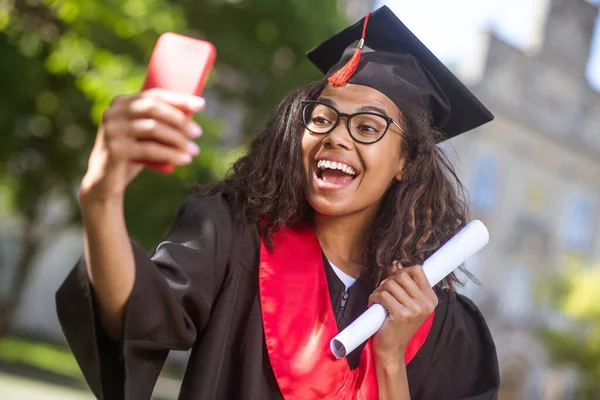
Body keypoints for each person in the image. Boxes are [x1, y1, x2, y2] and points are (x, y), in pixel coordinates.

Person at [56, 5, 500, 400]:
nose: (336, 136)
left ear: (406, 160)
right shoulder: (233, 237)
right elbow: (134, 315)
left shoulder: (442, 325)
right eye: (323, 118)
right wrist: (101, 196)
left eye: (367, 128)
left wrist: (389, 357)